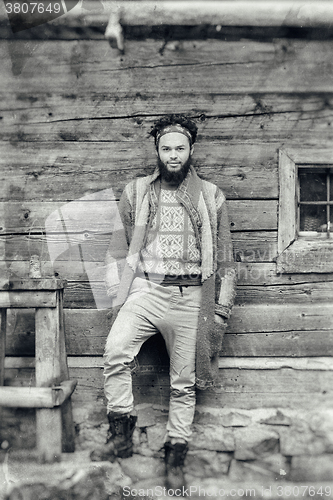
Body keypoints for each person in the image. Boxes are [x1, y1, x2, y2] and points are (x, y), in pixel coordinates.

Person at [91, 114, 237, 489]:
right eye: (166, 148)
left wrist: (219, 310)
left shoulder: (211, 196)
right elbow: (115, 250)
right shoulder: (137, 192)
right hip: (145, 290)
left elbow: (224, 260)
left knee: (183, 382)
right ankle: (121, 432)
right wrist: (117, 297)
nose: (173, 155)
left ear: (191, 150)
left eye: (180, 148)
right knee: (115, 352)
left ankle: (175, 454)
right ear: (157, 150)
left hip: (192, 297)